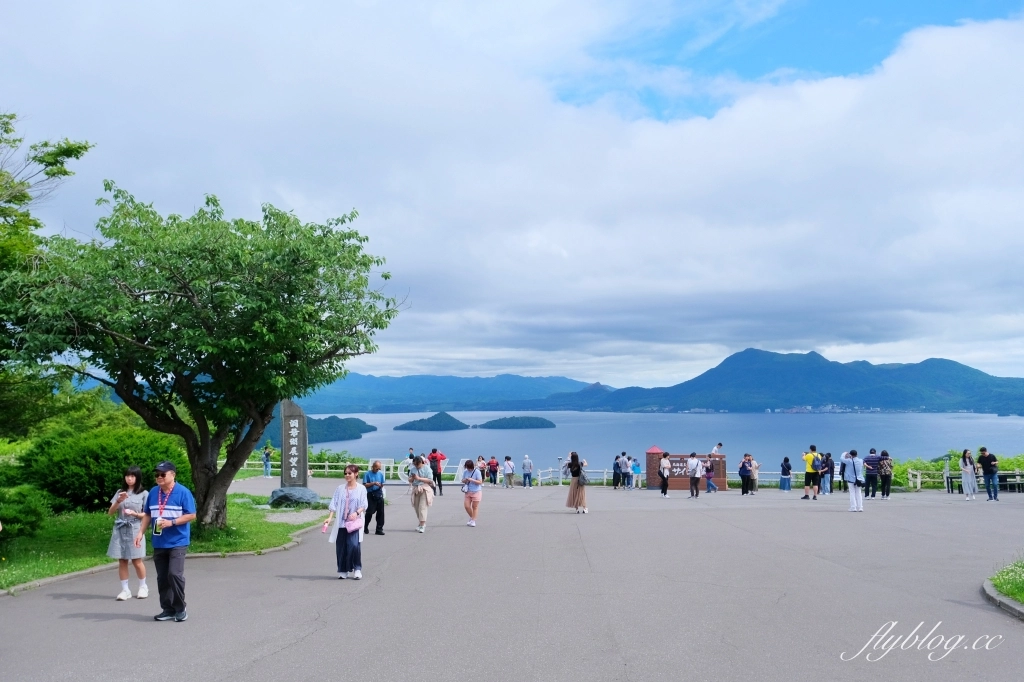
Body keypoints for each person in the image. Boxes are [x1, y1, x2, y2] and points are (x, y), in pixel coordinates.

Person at [136, 461, 196, 622]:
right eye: (157, 475)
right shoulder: (154, 492)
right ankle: (167, 609)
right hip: (159, 541)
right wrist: (140, 532)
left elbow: (191, 515)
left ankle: (180, 608)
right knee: (162, 577)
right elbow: (148, 514)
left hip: (178, 541)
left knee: (174, 574)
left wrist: (172, 522)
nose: (159, 477)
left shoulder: (183, 492)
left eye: (163, 474)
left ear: (173, 475)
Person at [107, 466, 149, 601]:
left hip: (135, 528)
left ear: (137, 477)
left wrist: (135, 513)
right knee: (122, 560)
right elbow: (111, 512)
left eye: (132, 476)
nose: (129, 479)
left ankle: (143, 587)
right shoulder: (120, 492)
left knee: (137, 560)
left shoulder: (144, 493)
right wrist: (119, 500)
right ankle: (125, 590)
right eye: (127, 476)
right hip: (120, 528)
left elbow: (147, 514)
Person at [325, 464, 367, 579]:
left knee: (354, 545)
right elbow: (334, 503)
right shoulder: (340, 489)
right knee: (341, 547)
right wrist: (329, 518)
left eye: (350, 473)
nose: (347, 475)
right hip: (341, 523)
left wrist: (356, 513)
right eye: (346, 473)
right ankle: (343, 569)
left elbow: (364, 504)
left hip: (354, 522)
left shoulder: (361, 489)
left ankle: (357, 568)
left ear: (356, 474)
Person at [408, 456, 434, 532]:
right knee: (416, 507)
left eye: (417, 465)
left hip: (424, 489)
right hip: (416, 489)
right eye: (415, 465)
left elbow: (430, 480)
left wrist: (419, 478)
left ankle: (422, 525)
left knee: (422, 507)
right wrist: (413, 478)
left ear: (421, 462)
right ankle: (421, 523)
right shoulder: (413, 469)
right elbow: (409, 480)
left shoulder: (427, 469)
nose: (416, 466)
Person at [363, 460, 386, 535]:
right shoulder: (367, 474)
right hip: (370, 494)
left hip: (379, 493)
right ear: (373, 467)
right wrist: (373, 483)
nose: (378, 470)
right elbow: (365, 484)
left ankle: (379, 529)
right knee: (369, 512)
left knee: (381, 512)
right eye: (377, 468)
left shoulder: (380, 474)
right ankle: (365, 526)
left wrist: (380, 485)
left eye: (379, 468)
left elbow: (383, 484)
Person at [461, 459, 483, 526]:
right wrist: (465, 480)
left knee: (474, 506)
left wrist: (472, 480)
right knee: (467, 506)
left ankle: (473, 521)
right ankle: (472, 517)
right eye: (467, 467)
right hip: (468, 491)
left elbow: (480, 482)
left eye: (469, 468)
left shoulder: (477, 472)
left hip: (476, 491)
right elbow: (462, 480)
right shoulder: (465, 472)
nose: (468, 469)